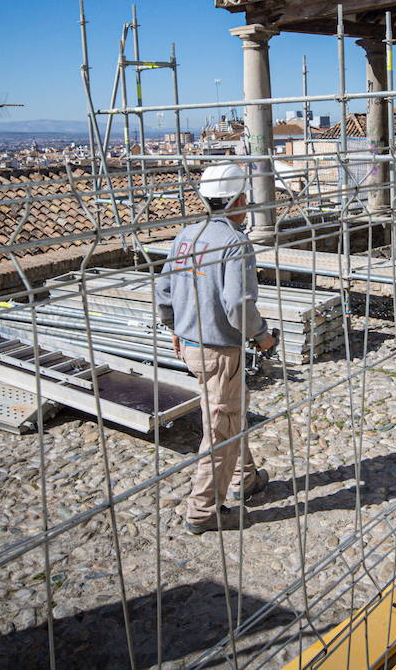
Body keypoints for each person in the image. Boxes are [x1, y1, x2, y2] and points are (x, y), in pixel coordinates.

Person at [155, 162, 279, 534]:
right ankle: (203, 511)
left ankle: (246, 477)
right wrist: (262, 336)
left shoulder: (187, 234)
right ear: (240, 199)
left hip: (191, 343)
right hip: (219, 349)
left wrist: (173, 325)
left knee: (230, 410)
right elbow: (237, 305)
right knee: (221, 428)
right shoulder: (234, 241)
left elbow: (164, 290)